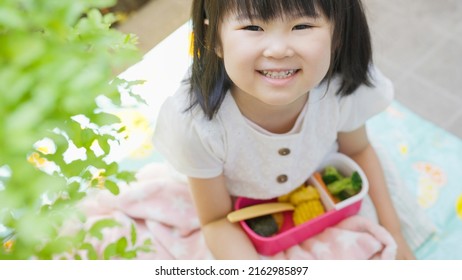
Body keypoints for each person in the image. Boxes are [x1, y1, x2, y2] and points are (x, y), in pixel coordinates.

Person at [153, 0, 415, 259]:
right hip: (238, 224)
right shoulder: (196, 126)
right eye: (253, 27)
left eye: (302, 25)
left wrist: (394, 232)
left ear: (337, 34)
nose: (278, 50)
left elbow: (358, 151)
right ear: (214, 39)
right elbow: (216, 221)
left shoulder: (342, 88)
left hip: (321, 191)